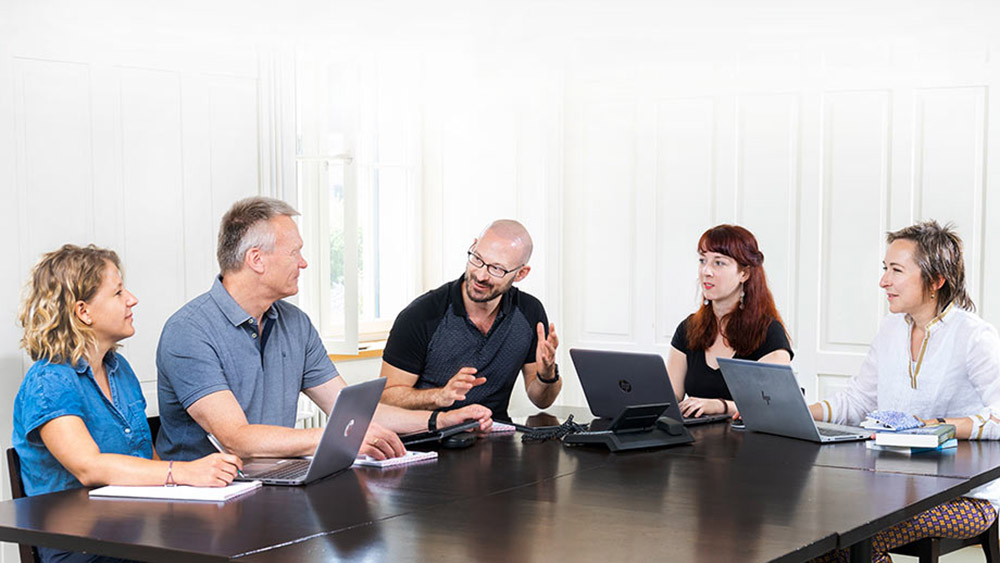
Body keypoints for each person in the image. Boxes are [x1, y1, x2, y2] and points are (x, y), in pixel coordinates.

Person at [155, 197, 491, 463]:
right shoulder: (189, 332)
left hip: (272, 484)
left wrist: (441, 421)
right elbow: (237, 439)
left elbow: (353, 412)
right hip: (202, 504)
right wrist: (341, 437)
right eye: (295, 253)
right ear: (256, 259)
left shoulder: (294, 323)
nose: (303, 263)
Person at [12, 244, 242, 563]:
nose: (132, 299)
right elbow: (89, 467)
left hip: (134, 533)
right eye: (118, 293)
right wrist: (187, 472)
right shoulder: (48, 381)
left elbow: (145, 459)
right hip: (84, 548)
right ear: (83, 311)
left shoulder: (119, 371)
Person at [809, 220, 1000, 562]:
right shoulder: (890, 329)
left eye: (896, 270)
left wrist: (934, 425)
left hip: (967, 499)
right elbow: (858, 400)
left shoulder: (974, 337)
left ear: (936, 281)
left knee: (854, 541)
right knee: (820, 537)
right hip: (893, 487)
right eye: (885, 269)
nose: (884, 281)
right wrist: (799, 411)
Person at [379, 220, 560, 421]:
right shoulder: (421, 315)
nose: (481, 275)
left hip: (496, 437)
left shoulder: (529, 312)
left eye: (497, 269)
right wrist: (439, 396)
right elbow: (385, 398)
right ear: (473, 246)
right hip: (430, 439)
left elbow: (542, 400)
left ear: (521, 273)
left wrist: (548, 374)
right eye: (477, 259)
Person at [666, 224, 793, 418]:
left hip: (749, 443)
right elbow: (672, 395)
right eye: (702, 261)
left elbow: (773, 402)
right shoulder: (688, 328)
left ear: (744, 274)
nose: (706, 271)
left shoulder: (768, 332)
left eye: (719, 263)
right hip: (694, 442)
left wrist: (720, 406)